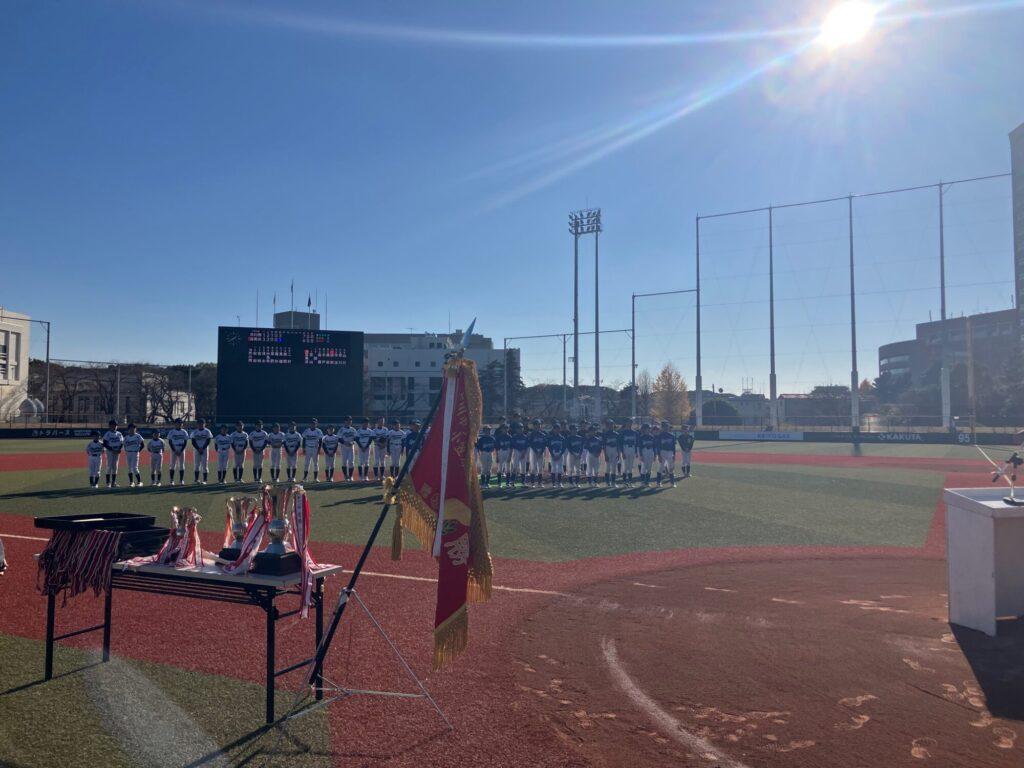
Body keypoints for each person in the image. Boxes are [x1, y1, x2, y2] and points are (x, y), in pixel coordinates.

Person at [166, 418, 190, 486]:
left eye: (180, 423)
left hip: (181, 448)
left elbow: (185, 442)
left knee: (181, 465)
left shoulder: (184, 432)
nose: (179, 424)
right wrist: (174, 450)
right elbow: (170, 442)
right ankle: (171, 481)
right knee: (172, 465)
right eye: (178, 423)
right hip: (174, 448)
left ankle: (181, 480)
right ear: (175, 424)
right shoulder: (172, 432)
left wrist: (181, 450)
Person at [101, 419, 124, 488]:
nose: (114, 427)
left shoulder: (119, 434)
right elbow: (104, 443)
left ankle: (113, 482)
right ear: (109, 426)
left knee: (115, 466)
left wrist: (119, 449)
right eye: (112, 425)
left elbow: (122, 442)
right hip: (109, 452)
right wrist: (111, 450)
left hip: (117, 452)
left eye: (115, 425)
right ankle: (108, 483)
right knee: (109, 466)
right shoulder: (107, 434)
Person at [190, 418, 213, 485]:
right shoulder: (195, 432)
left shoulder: (207, 431)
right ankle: (196, 479)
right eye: (199, 423)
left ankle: (205, 480)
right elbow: (193, 442)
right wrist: (198, 448)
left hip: (204, 450)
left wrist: (202, 448)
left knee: (205, 465)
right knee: (196, 465)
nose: (201, 425)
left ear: (205, 424)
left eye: (202, 423)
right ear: (197, 424)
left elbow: (208, 441)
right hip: (196, 450)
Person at [301, 418, 324, 482]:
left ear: (316, 424)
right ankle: (305, 478)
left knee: (316, 464)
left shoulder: (319, 431)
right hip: (308, 448)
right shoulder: (306, 431)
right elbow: (304, 439)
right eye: (312, 423)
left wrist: (319, 449)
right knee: (306, 463)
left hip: (315, 448)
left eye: (314, 423)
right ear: (310, 424)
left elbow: (320, 440)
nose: (313, 424)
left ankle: (315, 478)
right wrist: (303, 448)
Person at [527, 419, 548, 487]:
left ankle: (540, 483)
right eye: (536, 425)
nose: (538, 426)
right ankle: (532, 483)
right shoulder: (531, 434)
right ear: (534, 426)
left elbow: (544, 444)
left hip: (541, 452)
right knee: (533, 468)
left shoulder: (543, 434)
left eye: (539, 424)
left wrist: (541, 452)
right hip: (533, 451)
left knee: (540, 468)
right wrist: (536, 452)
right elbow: (530, 444)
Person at [656, 421, 678, 487]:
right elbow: (658, 446)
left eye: (667, 426)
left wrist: (674, 455)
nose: (666, 428)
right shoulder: (659, 436)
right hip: (662, 452)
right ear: (662, 427)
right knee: (661, 468)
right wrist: (659, 455)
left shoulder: (672, 436)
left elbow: (673, 447)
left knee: (671, 468)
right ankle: (658, 482)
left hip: (670, 453)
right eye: (664, 426)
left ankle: (672, 483)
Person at [123, 423, 145, 488]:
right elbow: (124, 445)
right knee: (129, 468)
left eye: (133, 428)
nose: (132, 430)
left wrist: (138, 451)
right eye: (130, 428)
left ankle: (139, 482)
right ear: (128, 429)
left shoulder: (138, 436)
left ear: (135, 429)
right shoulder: (126, 437)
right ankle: (131, 482)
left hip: (135, 453)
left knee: (135, 468)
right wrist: (126, 451)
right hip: (128, 453)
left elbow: (142, 445)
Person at [601, 419, 621, 488]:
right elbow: (604, 446)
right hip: (608, 449)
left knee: (614, 467)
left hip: (615, 450)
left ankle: (613, 482)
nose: (610, 426)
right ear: (607, 425)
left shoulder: (617, 434)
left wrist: (618, 453)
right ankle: (607, 482)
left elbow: (618, 445)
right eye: (609, 424)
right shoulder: (605, 434)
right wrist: (605, 455)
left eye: (612, 424)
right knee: (608, 467)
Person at [619, 418, 639, 486]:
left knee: (631, 467)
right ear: (626, 423)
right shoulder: (622, 432)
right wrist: (622, 452)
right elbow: (620, 443)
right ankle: (624, 482)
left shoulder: (635, 432)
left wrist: (636, 452)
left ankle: (630, 482)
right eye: (628, 422)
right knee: (625, 466)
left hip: (632, 449)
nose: (630, 424)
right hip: (625, 449)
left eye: (631, 422)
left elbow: (636, 443)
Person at [510, 423, 529, 489]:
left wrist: (523, 452)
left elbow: (526, 446)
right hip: (516, 451)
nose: (520, 429)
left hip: (523, 452)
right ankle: (512, 482)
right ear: (516, 429)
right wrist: (521, 450)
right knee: (515, 467)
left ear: (523, 429)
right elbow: (513, 445)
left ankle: (523, 482)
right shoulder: (514, 436)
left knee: (523, 467)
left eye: (521, 428)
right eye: (518, 428)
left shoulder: (525, 437)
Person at [338, 416, 357, 481]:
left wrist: (352, 442)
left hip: (351, 447)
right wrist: (344, 442)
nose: (349, 421)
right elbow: (339, 438)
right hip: (344, 447)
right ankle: (346, 476)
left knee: (351, 462)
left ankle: (350, 476)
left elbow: (356, 438)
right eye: (347, 420)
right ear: (345, 421)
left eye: (350, 420)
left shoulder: (353, 429)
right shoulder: (341, 429)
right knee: (344, 462)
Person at [494, 423, 512, 488]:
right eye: (504, 428)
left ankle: (507, 483)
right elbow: (496, 448)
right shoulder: (498, 437)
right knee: (500, 468)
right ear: (501, 429)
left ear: (508, 429)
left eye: (506, 428)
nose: (505, 429)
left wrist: (510, 456)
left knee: (508, 468)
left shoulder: (510, 437)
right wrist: (497, 456)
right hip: (500, 451)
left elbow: (511, 448)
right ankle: (499, 483)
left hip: (508, 452)